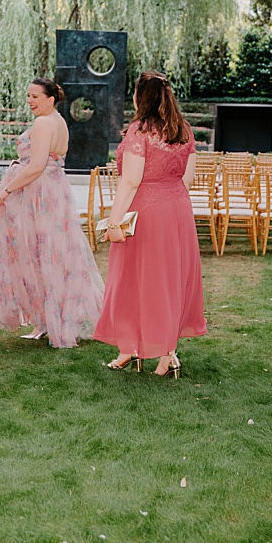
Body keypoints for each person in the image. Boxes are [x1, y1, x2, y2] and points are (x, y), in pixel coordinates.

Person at [94, 72, 206, 378]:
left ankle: (135, 349)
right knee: (168, 280)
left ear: (139, 98)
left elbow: (130, 181)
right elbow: (188, 178)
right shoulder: (183, 130)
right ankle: (163, 353)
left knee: (135, 279)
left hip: (146, 212)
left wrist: (114, 221)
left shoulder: (140, 130)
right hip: (177, 210)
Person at [0, 79, 101, 347]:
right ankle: (51, 320)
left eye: (35, 96)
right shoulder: (59, 121)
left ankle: (47, 322)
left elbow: (36, 166)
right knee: (56, 256)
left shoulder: (43, 123)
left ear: (50, 99)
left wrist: (6, 189)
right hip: (55, 190)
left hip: (38, 194)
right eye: (28, 95)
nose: (29, 100)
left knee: (38, 256)